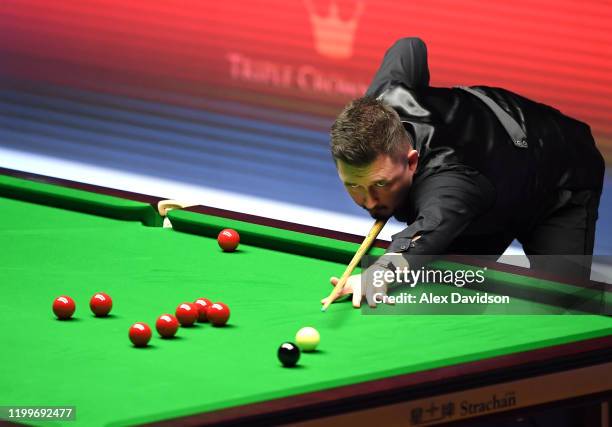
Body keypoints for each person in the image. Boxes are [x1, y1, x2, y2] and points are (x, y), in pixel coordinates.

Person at [323, 38, 605, 309]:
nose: (370, 202)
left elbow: (430, 230)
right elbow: (409, 47)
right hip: (490, 193)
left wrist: (378, 274)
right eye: (354, 186)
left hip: (557, 178)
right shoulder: (383, 102)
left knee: (562, 305)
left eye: (380, 184)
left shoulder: (449, 180)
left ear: (411, 162)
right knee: (447, 292)